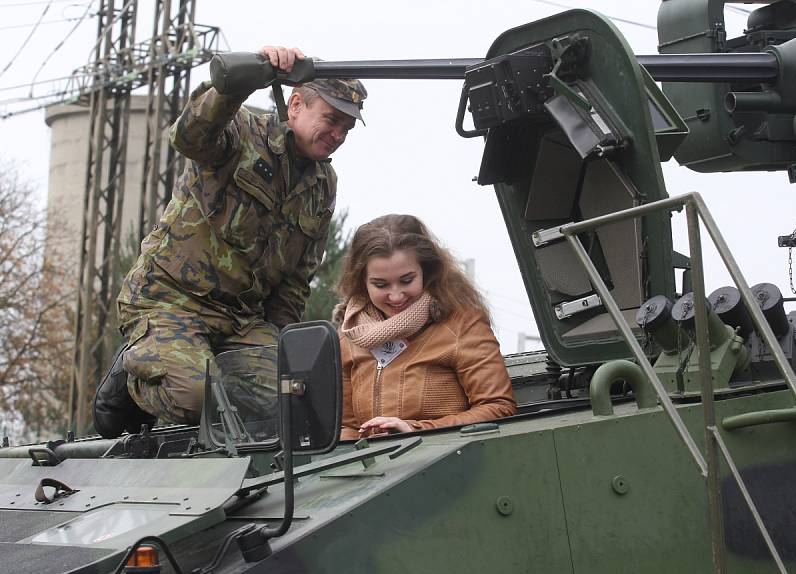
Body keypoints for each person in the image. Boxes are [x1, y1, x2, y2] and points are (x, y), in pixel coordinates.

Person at [92, 46, 367, 438]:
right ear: (295, 106)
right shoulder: (243, 132)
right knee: (196, 397)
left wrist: (280, 352)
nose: (338, 135)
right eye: (332, 120)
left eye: (347, 128)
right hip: (171, 300)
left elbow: (294, 281)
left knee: (291, 402)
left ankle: (200, 372)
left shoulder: (322, 186)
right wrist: (235, 84)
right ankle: (132, 373)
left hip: (241, 320)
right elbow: (189, 137)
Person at [334, 214, 516, 439]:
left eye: (407, 280)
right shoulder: (348, 335)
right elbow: (347, 428)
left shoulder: (462, 323)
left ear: (426, 271)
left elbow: (498, 407)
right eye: (381, 284)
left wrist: (414, 430)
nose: (396, 295)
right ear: (362, 281)